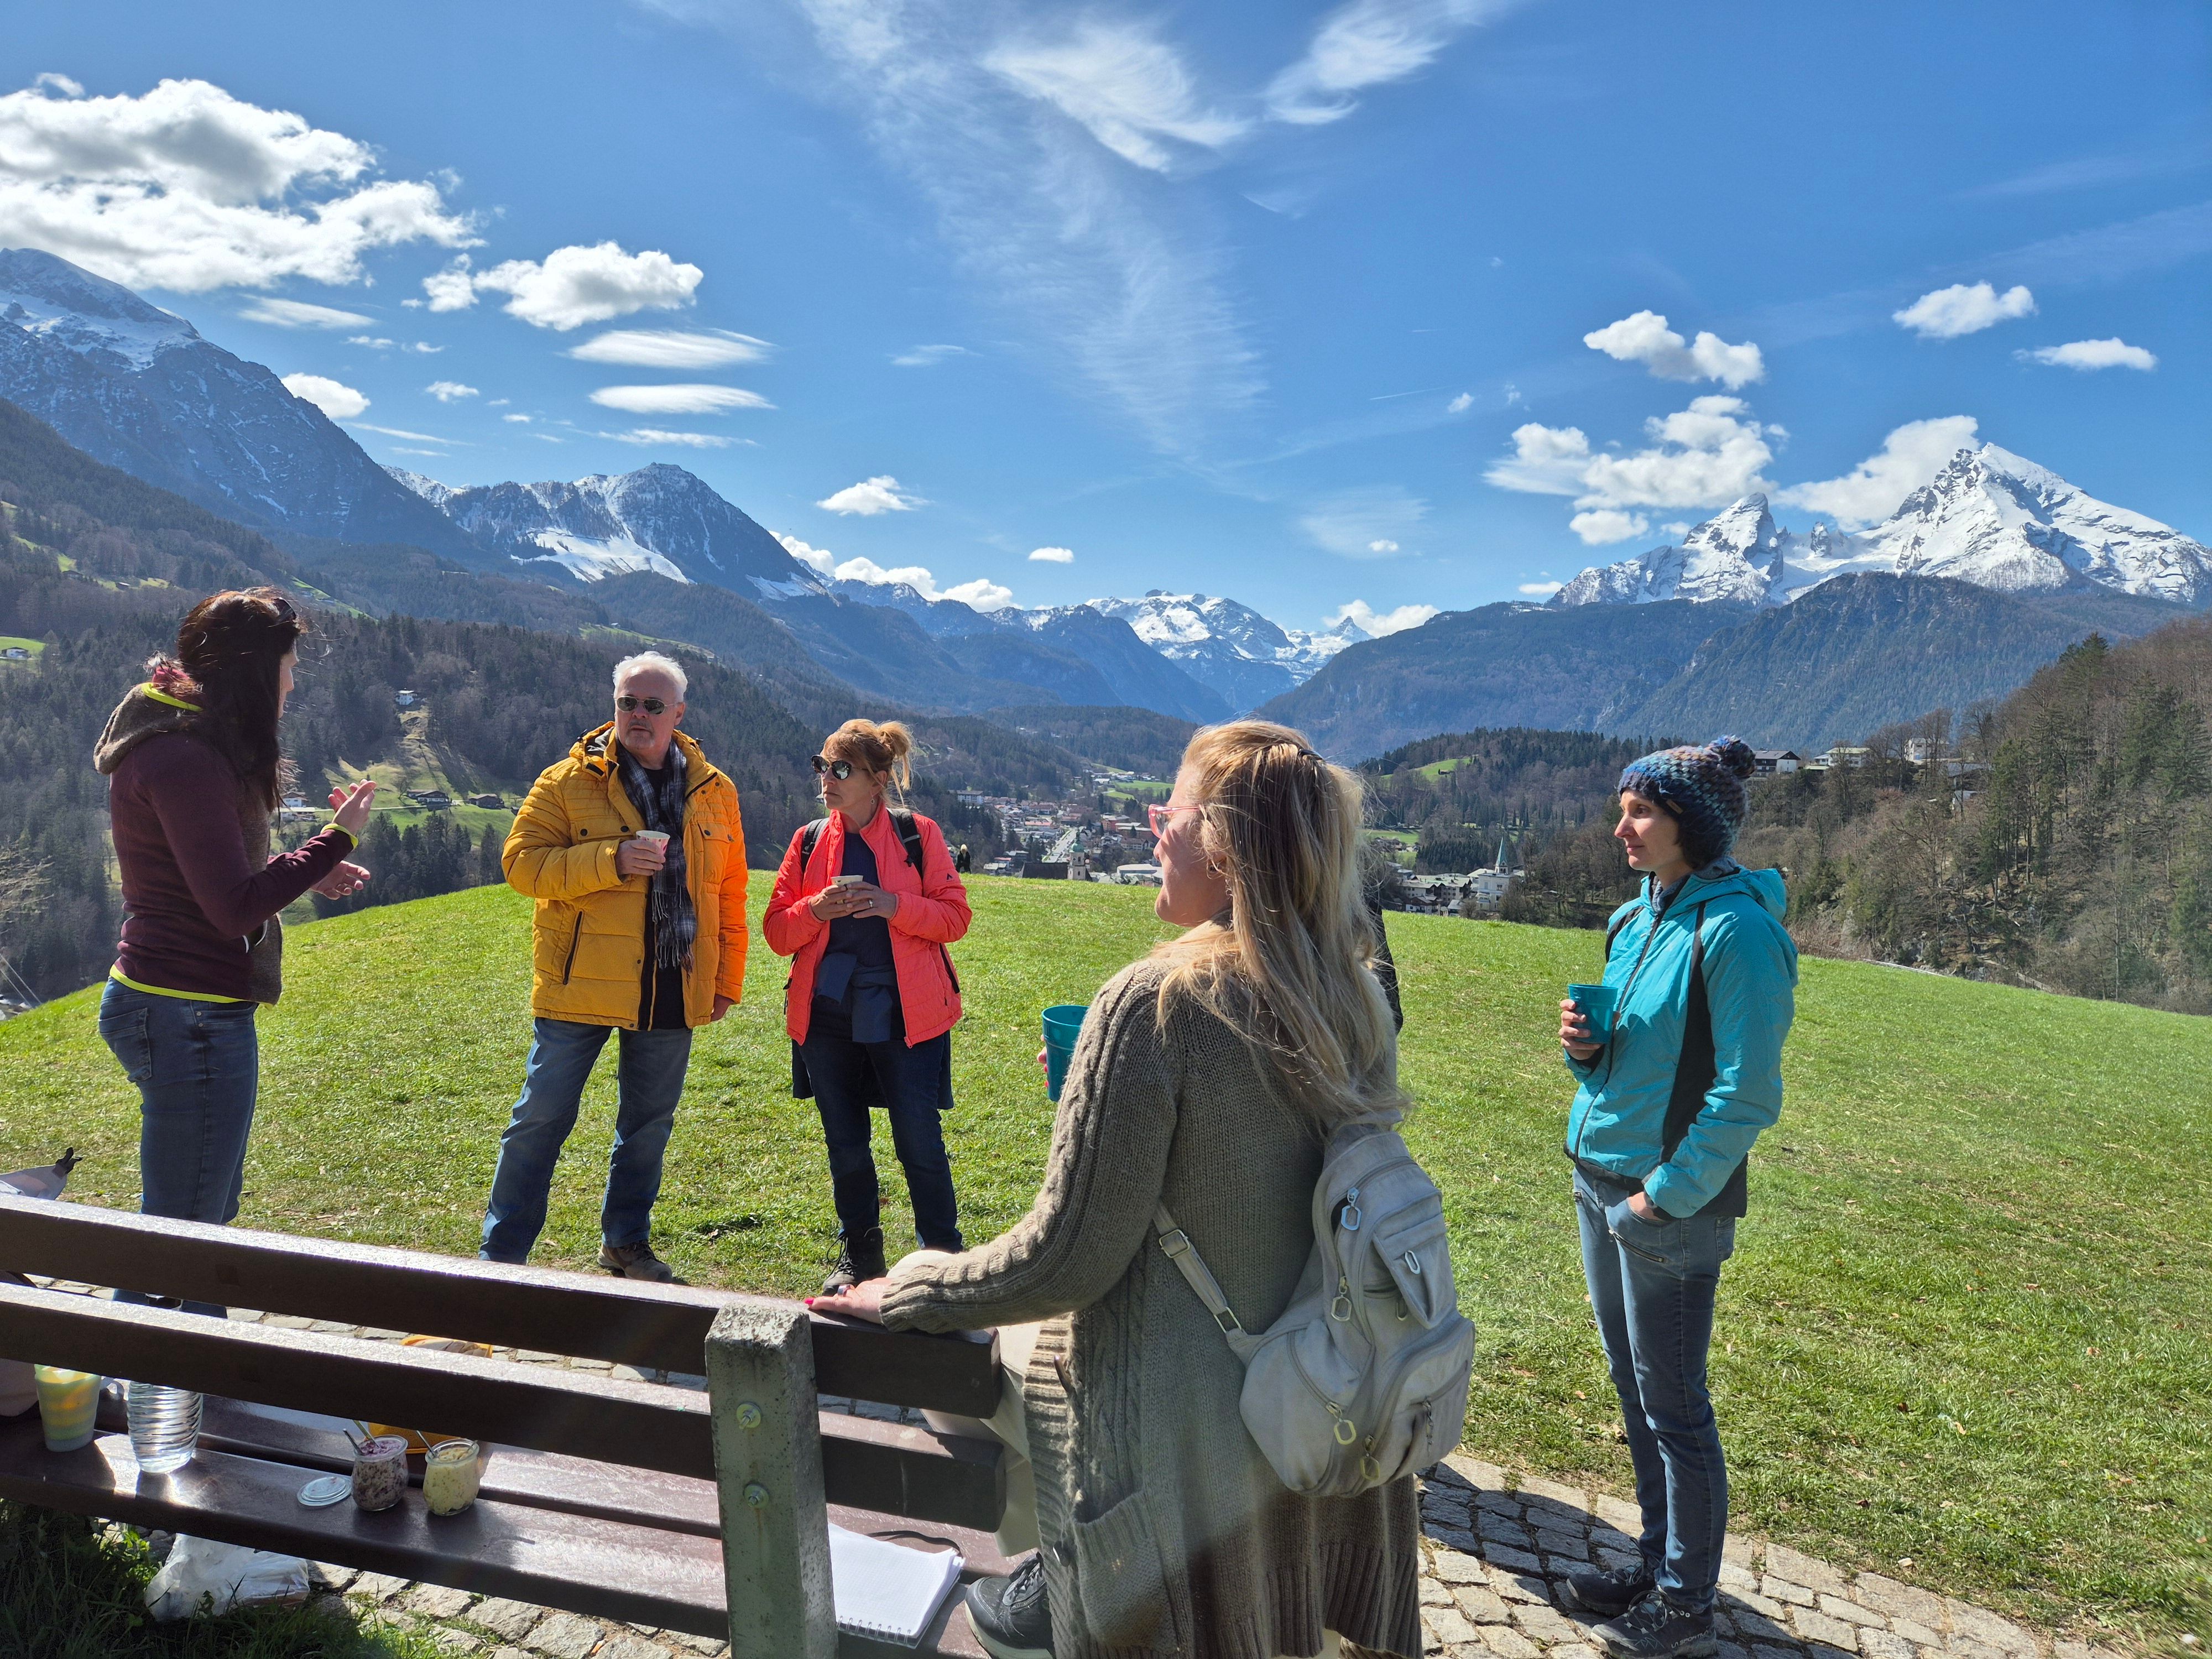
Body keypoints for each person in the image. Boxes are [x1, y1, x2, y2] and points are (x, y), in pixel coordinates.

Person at [815, 719, 1422, 1659]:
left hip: (1179, 1422)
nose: (1154, 834)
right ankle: (1056, 1578)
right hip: (1324, 1376)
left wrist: (909, 1287)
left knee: (950, 1350)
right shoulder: (1353, 992)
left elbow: (1067, 1259)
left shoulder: (1157, 1002)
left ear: (1221, 846)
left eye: (1166, 815)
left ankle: (1075, 1579)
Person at [1554, 737, 1797, 1659]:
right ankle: (1658, 1566)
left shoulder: (1737, 933)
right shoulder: (1635, 918)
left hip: (1667, 1205)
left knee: (1676, 1408)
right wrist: (1586, 1051)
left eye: (1642, 811)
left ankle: (1687, 1604)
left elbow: (1748, 1092)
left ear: (1691, 824)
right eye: (1622, 809)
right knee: (1637, 1389)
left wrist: (1663, 1197)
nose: (1621, 827)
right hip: (1599, 1179)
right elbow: (1630, 1060)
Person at [92, 590, 376, 1304]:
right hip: (185, 1014)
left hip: (182, 1007)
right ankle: (158, 1368)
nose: (293, 683)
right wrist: (336, 839)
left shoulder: (185, 741)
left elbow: (213, 874)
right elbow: (231, 909)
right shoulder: (185, 757)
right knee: (186, 1246)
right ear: (254, 671)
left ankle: (165, 1364)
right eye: (289, 666)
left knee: (199, 1223)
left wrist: (306, 869)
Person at [480, 652, 749, 1282]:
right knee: (540, 1119)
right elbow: (521, 866)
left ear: (678, 713)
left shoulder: (716, 791)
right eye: (628, 702)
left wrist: (725, 980)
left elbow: (729, 894)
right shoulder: (566, 781)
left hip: (674, 979)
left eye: (653, 705)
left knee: (647, 1127)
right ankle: (501, 1259)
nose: (638, 715)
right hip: (580, 982)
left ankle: (625, 1243)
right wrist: (613, 860)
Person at [764, 720, 971, 1292]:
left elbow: (955, 918)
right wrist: (816, 910)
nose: (826, 779)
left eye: (841, 769)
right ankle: (860, 1258)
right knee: (845, 1143)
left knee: (918, 1141)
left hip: (908, 1012)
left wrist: (891, 904)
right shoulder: (809, 840)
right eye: (821, 765)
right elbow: (778, 932)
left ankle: (942, 1259)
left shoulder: (917, 835)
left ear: (878, 780)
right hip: (827, 1014)